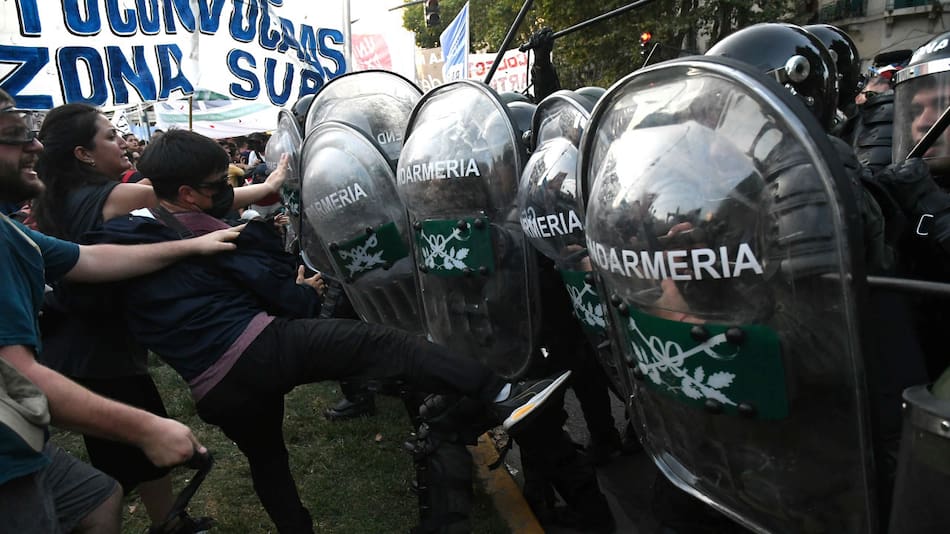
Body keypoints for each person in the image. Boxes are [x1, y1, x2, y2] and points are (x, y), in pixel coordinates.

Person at [87, 128, 573, 533]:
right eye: (219, 184)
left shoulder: (127, 237)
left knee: (269, 461)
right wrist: (304, 286)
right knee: (383, 342)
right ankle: (503, 393)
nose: (229, 192)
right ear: (189, 193)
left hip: (211, 388)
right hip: (258, 347)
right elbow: (294, 303)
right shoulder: (231, 237)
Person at [0, 88, 243, 533]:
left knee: (98, 494)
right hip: (77, 370)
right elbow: (15, 375)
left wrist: (189, 245)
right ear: (83, 154)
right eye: (17, 134)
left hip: (67, 357)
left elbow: (88, 259)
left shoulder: (24, 221)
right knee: (126, 463)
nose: (33, 145)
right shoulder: (111, 198)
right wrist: (146, 428)